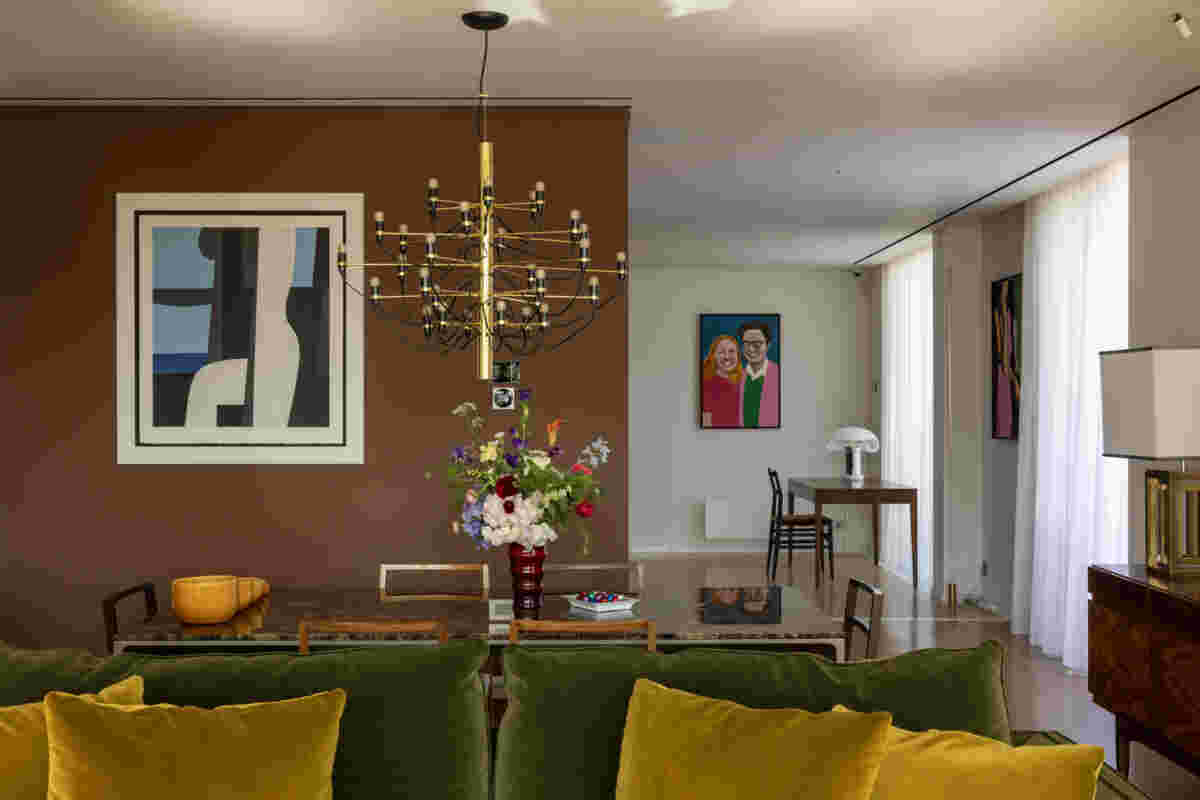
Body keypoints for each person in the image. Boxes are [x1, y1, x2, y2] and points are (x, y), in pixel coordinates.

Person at [737, 321, 779, 428]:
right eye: (746, 344)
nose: (751, 349)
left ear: (768, 345)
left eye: (757, 344)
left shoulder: (779, 375)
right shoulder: (737, 377)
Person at [701, 334, 742, 427]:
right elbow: (706, 422)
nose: (727, 357)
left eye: (731, 351)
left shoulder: (744, 382)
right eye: (721, 352)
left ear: (737, 355)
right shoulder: (706, 385)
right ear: (713, 356)